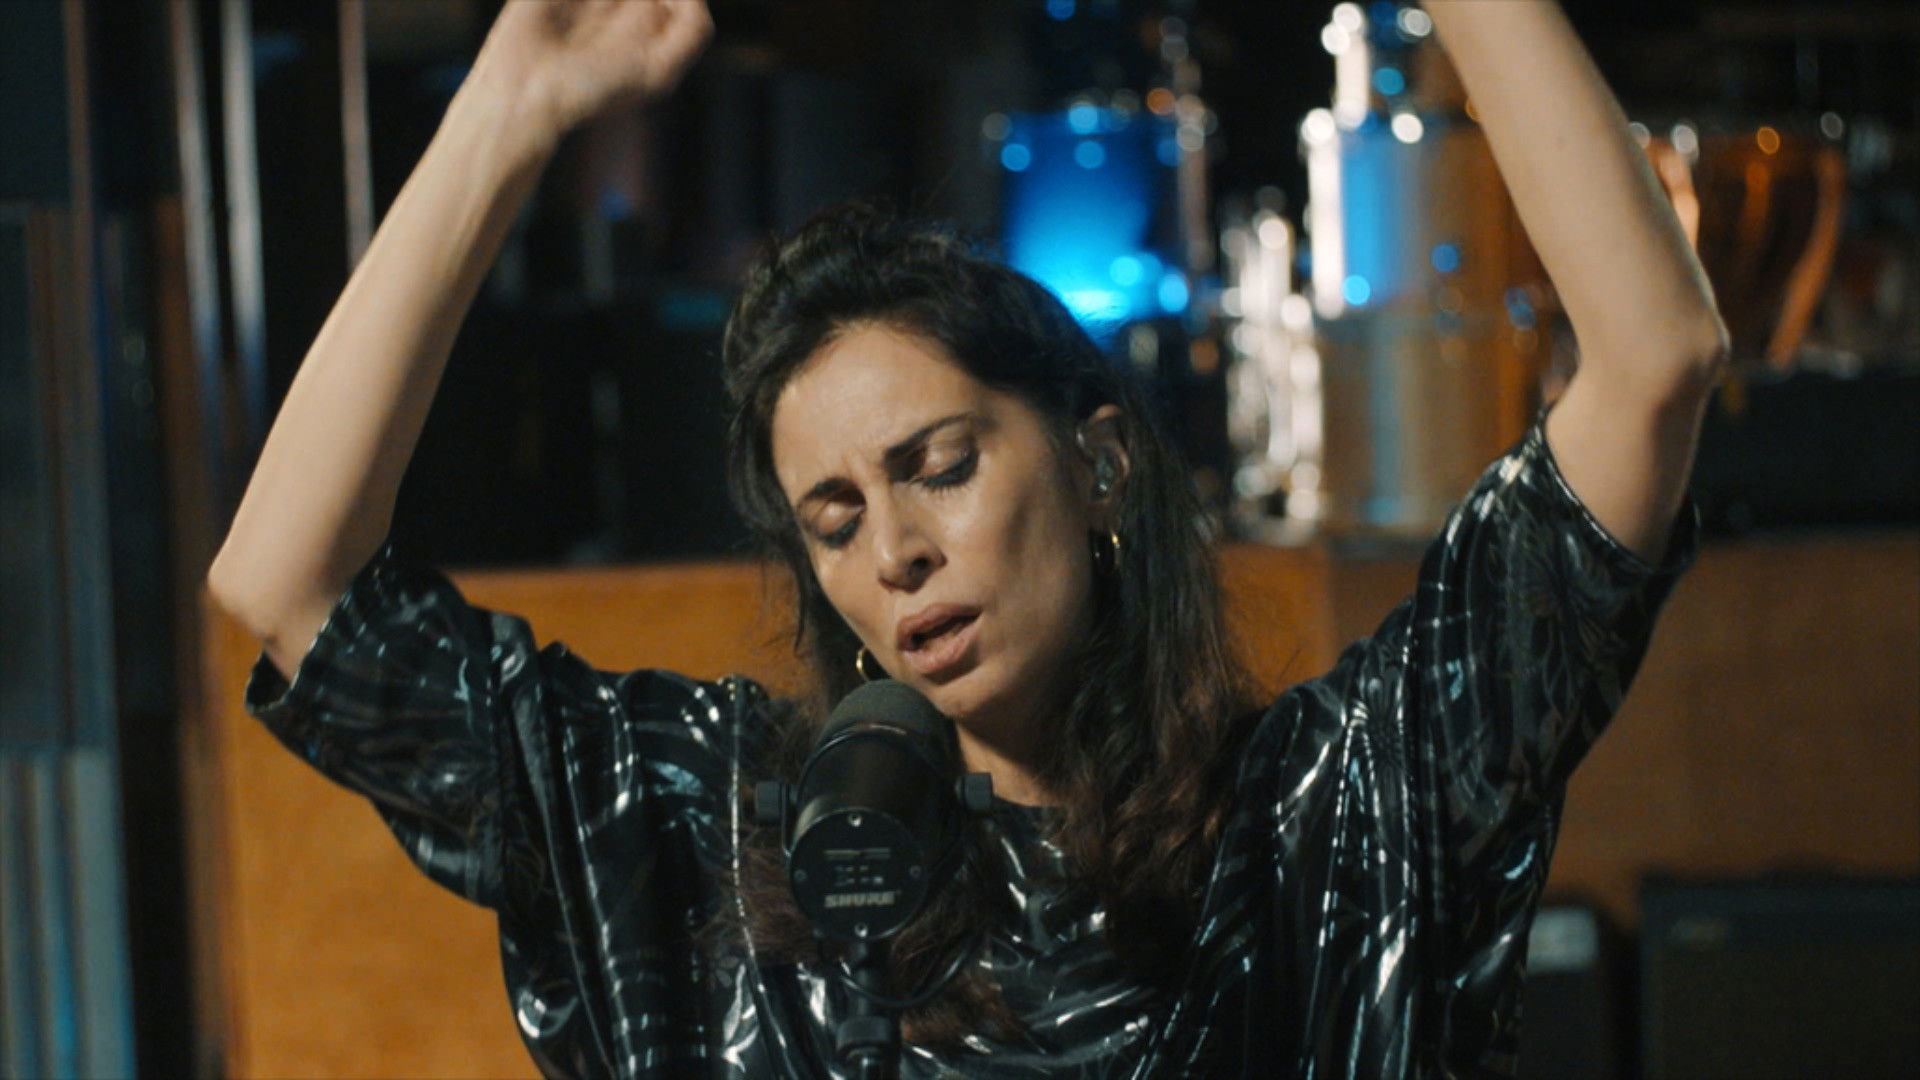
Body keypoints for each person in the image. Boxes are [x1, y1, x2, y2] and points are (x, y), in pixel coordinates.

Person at [207, 1, 1728, 1076]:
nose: (895, 553)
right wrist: (510, 109)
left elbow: (1653, 359)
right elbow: (285, 579)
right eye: (833, 521)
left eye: (937, 469)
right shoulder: (708, 836)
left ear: (1100, 464)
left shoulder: (1340, 816)